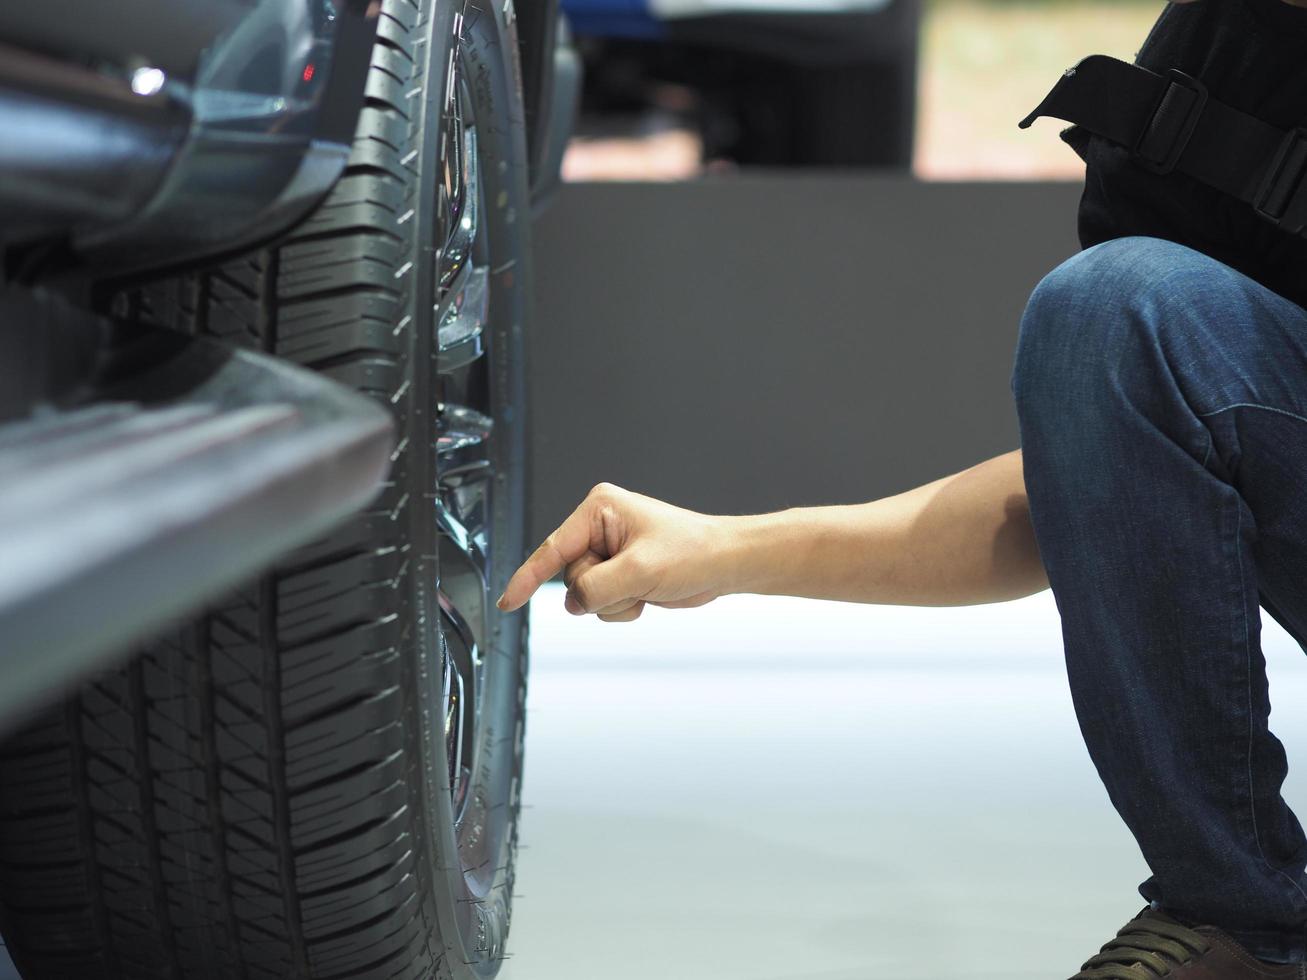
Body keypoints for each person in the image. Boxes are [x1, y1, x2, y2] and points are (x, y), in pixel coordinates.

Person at [499, 0, 1307, 974]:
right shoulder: (1241, 59)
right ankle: (1238, 918)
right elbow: (1125, 482)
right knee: (1112, 313)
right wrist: (721, 549)